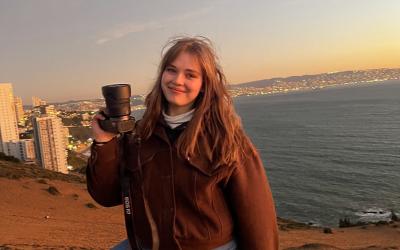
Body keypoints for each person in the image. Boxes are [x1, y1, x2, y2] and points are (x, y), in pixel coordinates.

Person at [86, 37, 279, 250]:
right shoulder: (138, 136)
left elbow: (258, 220)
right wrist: (104, 142)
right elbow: (107, 196)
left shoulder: (227, 140)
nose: (177, 80)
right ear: (162, 75)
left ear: (204, 84)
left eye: (190, 75)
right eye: (171, 70)